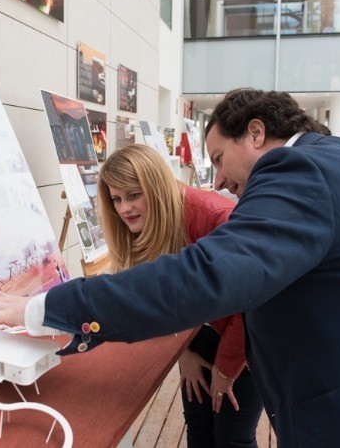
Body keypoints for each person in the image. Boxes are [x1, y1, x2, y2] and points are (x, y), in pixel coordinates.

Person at [0, 88, 340, 446]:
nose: (218, 181)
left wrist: (46, 307)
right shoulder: (336, 160)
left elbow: (208, 278)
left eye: (219, 159)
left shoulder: (298, 170)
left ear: (255, 133)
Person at [95, 144, 262, 447]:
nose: (124, 209)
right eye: (116, 199)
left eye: (133, 195)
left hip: (248, 343)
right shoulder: (140, 226)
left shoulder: (217, 218)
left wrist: (226, 369)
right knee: (198, 429)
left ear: (157, 187)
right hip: (197, 335)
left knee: (232, 437)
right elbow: (156, 303)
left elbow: (250, 310)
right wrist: (183, 353)